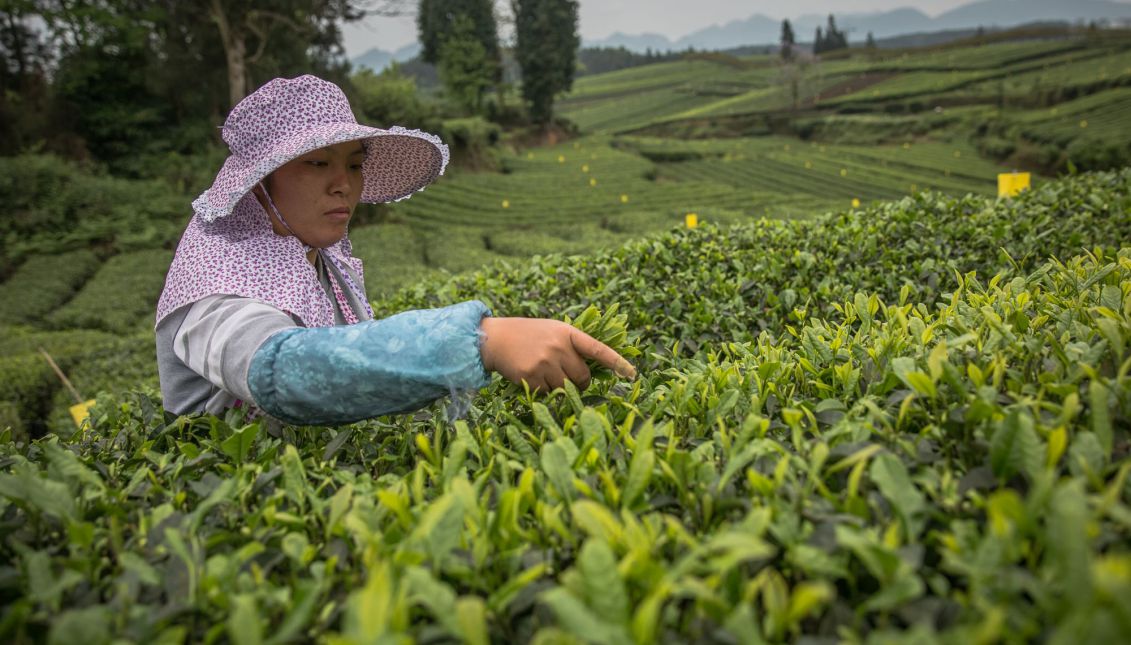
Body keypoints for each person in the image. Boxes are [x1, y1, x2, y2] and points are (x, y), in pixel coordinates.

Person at [155, 75, 635, 426]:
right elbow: (282, 371)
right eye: (317, 163)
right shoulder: (214, 279)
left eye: (354, 164)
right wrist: (480, 341)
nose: (344, 185)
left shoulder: (314, 256)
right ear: (258, 183)